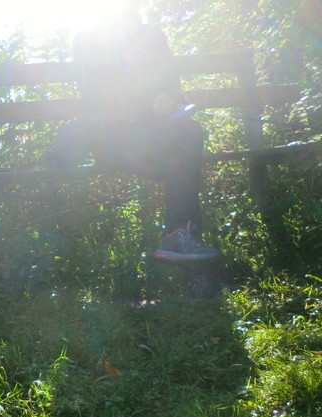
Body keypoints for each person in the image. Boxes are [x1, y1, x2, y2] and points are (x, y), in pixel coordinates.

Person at [49, 3, 222, 263]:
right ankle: (184, 243)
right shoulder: (88, 39)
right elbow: (99, 98)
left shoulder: (153, 36)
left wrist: (168, 97)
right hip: (113, 141)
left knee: (188, 136)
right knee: (182, 163)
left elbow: (173, 86)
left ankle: (182, 242)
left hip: (153, 139)